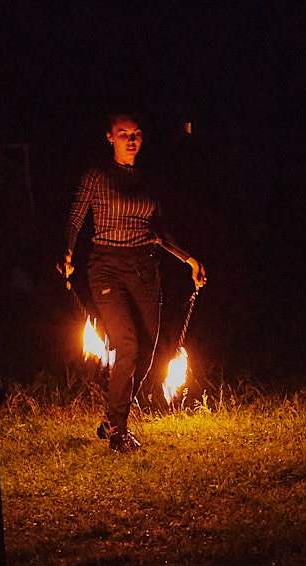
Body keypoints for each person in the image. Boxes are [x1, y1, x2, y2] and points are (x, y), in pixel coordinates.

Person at [63, 113, 206, 454]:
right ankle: (118, 433)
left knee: (147, 349)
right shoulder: (96, 176)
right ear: (109, 137)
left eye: (136, 134)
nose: (130, 139)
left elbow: (158, 228)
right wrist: (66, 251)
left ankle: (112, 418)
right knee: (126, 344)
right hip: (106, 266)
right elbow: (75, 217)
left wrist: (188, 259)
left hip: (144, 267)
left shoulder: (148, 179)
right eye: (123, 134)